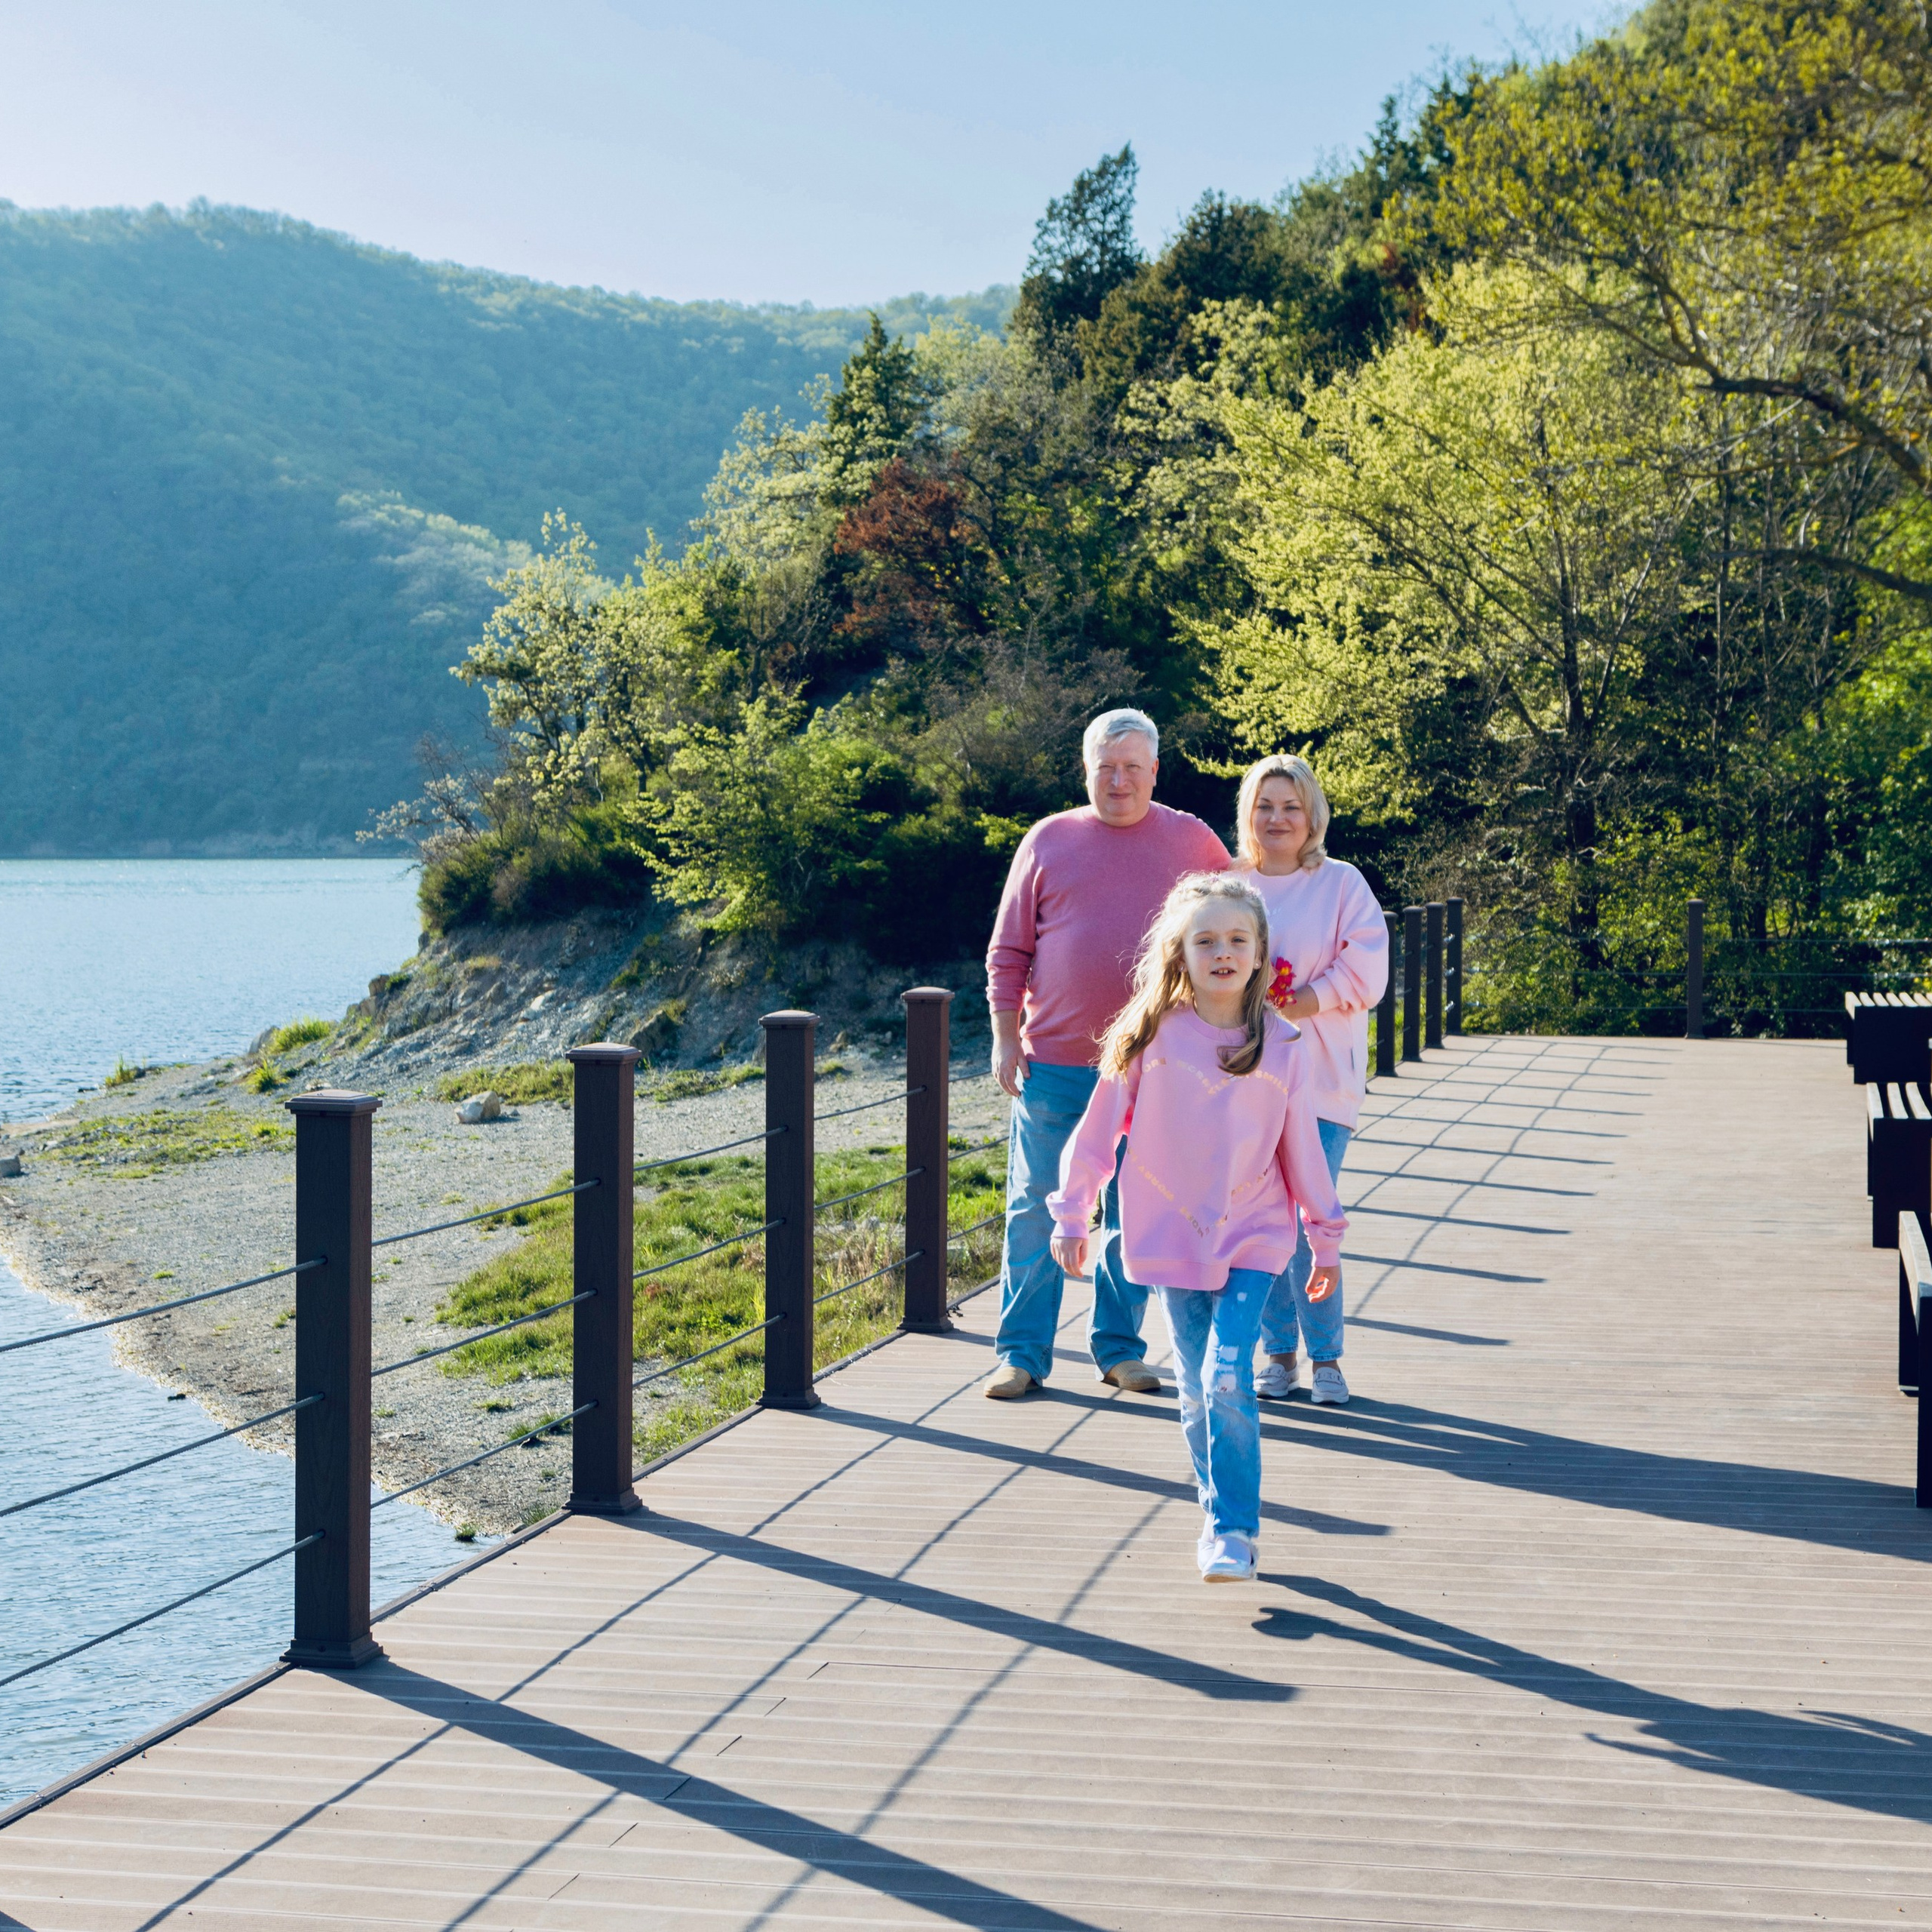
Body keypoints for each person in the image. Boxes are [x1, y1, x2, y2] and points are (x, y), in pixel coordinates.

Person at [1047, 873, 1346, 1581]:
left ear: (1259, 950)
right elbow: (1096, 1137)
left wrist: (1324, 1236)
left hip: (1255, 1231)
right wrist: (1072, 1213)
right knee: (1193, 1388)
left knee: (1227, 1372)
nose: (1222, 951)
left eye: (1237, 939)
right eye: (1205, 939)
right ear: (1179, 950)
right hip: (1170, 1232)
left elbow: (1301, 1148)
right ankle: (1215, 1517)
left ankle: (1236, 1530)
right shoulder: (1149, 1035)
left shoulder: (1284, 1044)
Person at [983, 708, 1230, 1399]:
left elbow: (1237, 931)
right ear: (1085, 770)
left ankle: (1121, 1350)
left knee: (1134, 1210)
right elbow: (1008, 952)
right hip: (1054, 1064)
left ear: (1155, 771)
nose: (1118, 780)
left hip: (1155, 1067)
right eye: (1105, 767)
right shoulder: (1048, 840)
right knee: (1036, 1205)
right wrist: (1005, 1036)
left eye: (1132, 768)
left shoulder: (1195, 842)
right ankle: (1022, 1355)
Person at [1229, 754, 1387, 1406]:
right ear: (1249, 815)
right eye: (1265, 806)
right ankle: (1278, 1354)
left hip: (1321, 1077)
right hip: (1243, 1081)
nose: (1278, 818)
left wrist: (1304, 1000)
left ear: (1312, 815)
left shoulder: (1343, 883)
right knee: (1262, 1221)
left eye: (1291, 806)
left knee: (1310, 1217)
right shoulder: (1228, 884)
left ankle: (1327, 1359)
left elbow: (1369, 969)